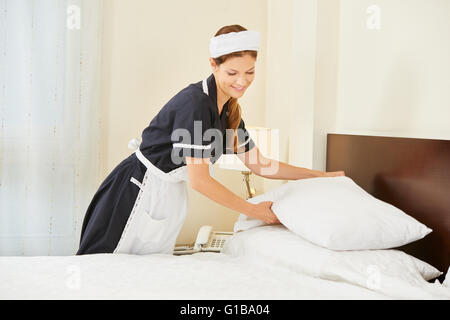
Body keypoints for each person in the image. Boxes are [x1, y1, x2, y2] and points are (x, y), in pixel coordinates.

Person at [76, 24, 344, 255]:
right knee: (101, 270)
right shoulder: (197, 104)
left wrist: (320, 176)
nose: (242, 81)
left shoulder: (229, 109)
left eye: (250, 72)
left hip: (166, 194)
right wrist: (256, 211)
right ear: (213, 65)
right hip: (136, 191)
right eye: (232, 73)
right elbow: (200, 181)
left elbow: (261, 165)